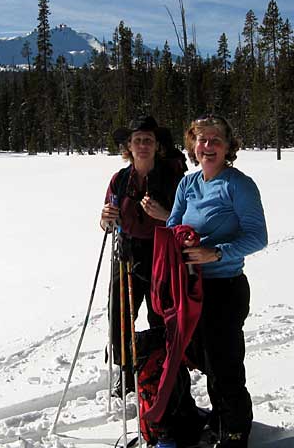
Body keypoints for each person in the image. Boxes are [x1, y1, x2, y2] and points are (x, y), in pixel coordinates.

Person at [167, 115, 267, 448]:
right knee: (203, 360)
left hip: (224, 287)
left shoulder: (239, 184)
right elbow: (172, 226)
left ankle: (235, 431)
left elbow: (257, 237)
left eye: (215, 140)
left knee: (224, 365)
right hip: (190, 288)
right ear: (192, 145)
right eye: (201, 140)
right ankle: (221, 419)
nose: (207, 147)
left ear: (227, 147)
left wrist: (216, 253)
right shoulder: (188, 184)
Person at [100, 115, 185, 397]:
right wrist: (106, 219)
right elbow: (107, 221)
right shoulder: (120, 179)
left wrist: (166, 215)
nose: (142, 145)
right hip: (126, 253)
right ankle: (126, 371)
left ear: (157, 145)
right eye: (137, 140)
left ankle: (159, 367)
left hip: (162, 253)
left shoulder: (174, 178)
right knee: (120, 314)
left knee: (160, 315)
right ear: (129, 146)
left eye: (148, 140)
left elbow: (187, 220)